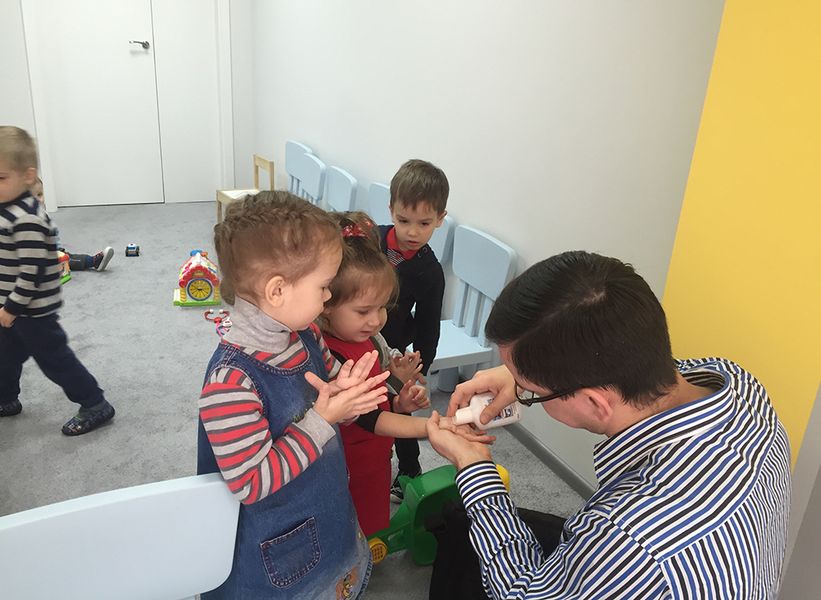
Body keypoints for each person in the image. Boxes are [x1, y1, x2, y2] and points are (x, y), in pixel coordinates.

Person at [428, 250, 791, 599]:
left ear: (595, 402)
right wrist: (519, 375)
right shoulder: (739, 384)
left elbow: (520, 593)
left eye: (531, 392)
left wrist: (475, 468)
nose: (521, 391)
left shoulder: (628, 540)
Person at [197, 191, 391, 599]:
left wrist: (347, 397)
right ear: (277, 291)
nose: (328, 297)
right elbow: (250, 482)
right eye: (324, 286)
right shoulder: (230, 382)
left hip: (328, 513)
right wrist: (322, 419)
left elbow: (333, 399)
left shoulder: (306, 335)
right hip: (280, 555)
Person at [319, 211, 489, 537]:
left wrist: (399, 400)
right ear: (326, 303)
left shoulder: (372, 338)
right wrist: (434, 425)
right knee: (347, 524)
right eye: (363, 311)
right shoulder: (328, 356)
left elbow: (380, 402)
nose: (376, 320)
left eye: (383, 307)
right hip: (346, 462)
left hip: (376, 453)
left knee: (372, 516)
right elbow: (367, 418)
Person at [0, 126, 115, 434]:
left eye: (1, 178)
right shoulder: (6, 208)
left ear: (28, 176)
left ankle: (95, 403)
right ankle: (6, 399)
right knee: (5, 357)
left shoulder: (27, 218)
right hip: (10, 307)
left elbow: (33, 271)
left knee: (54, 359)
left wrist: (11, 308)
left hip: (32, 310)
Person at [378, 158, 449, 502]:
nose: (412, 232)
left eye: (424, 223)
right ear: (391, 209)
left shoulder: (430, 271)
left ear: (440, 218)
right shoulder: (370, 241)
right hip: (355, 336)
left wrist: (420, 366)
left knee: (398, 406)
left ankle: (408, 469)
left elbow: (428, 323)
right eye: (403, 220)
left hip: (393, 348)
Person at [30, 178, 114, 272]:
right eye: (32, 197)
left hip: (51, 251)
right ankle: (92, 262)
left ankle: (93, 261)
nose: (38, 200)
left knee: (67, 257)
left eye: (40, 195)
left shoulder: (42, 213)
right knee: (65, 260)